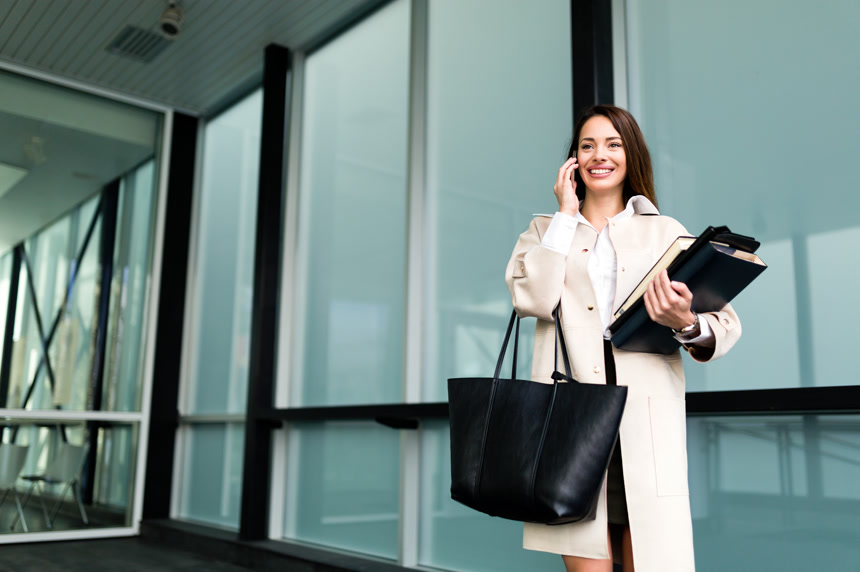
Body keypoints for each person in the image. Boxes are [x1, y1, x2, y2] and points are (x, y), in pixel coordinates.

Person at [505, 105, 742, 572]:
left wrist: (685, 321)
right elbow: (531, 298)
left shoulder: (665, 232)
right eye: (587, 145)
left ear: (630, 155)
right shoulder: (542, 231)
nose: (600, 155)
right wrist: (565, 217)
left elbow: (724, 323)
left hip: (644, 427)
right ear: (573, 160)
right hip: (570, 427)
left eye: (613, 144)